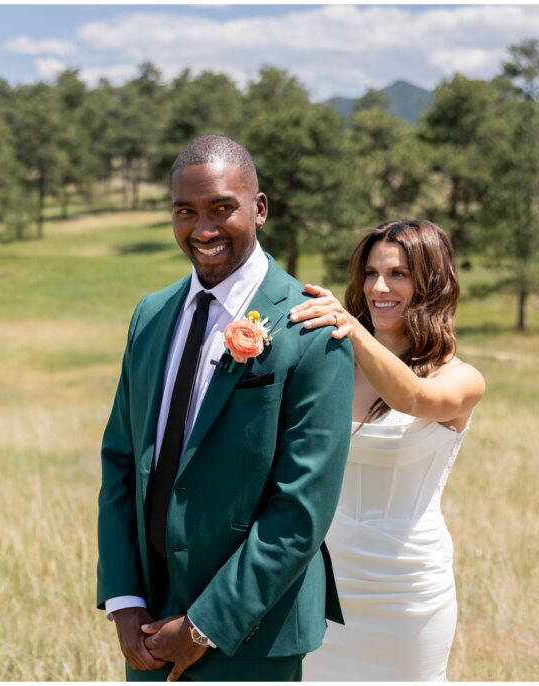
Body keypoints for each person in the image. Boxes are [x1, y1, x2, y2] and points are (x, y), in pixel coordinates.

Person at [96, 134, 354, 681]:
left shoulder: (312, 329)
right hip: (147, 627)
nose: (203, 230)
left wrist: (203, 626)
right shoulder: (151, 314)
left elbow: (300, 510)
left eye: (221, 209)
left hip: (253, 633)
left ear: (259, 209)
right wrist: (122, 597)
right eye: (185, 212)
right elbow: (121, 459)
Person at [290, 219, 486, 681]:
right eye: (371, 273)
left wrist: (352, 331)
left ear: (432, 283)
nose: (380, 287)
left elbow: (413, 398)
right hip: (318, 578)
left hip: (407, 590)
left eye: (399, 274)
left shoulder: (460, 378)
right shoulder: (327, 362)